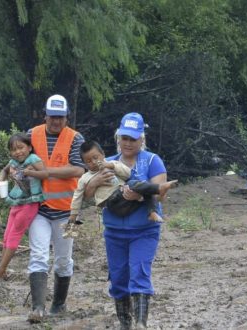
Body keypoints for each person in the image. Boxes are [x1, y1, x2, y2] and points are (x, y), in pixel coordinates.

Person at [83, 113, 168, 329]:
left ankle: (141, 323)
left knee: (139, 272)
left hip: (144, 230)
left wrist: (139, 195)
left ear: (142, 139)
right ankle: (125, 323)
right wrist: (95, 182)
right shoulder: (106, 162)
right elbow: (85, 193)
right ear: (118, 138)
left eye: (133, 139)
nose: (128, 143)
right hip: (114, 232)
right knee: (119, 279)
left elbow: (159, 191)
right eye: (124, 138)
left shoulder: (152, 160)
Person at [26, 95, 86, 323]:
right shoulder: (32, 134)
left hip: (69, 212)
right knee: (38, 255)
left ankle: (59, 304)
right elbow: (21, 158)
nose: (56, 121)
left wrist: (45, 172)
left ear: (66, 117)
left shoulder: (76, 138)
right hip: (38, 209)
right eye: (52, 116)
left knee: (63, 260)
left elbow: (77, 170)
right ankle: (38, 308)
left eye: (60, 117)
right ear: (45, 115)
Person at [67, 140, 177, 227]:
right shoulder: (85, 178)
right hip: (111, 203)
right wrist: (73, 215)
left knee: (142, 188)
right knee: (134, 184)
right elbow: (78, 196)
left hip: (126, 200)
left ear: (103, 154)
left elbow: (127, 173)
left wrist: (111, 166)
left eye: (95, 158)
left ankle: (152, 212)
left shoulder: (113, 163)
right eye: (89, 161)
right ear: (85, 164)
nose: (94, 162)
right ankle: (158, 188)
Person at [0, 133, 48, 281]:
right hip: (16, 201)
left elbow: (45, 174)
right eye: (13, 149)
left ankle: (1, 268)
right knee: (7, 235)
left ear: (29, 147)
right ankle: (3, 269)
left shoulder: (33, 159)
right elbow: (5, 170)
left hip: (29, 203)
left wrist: (30, 172)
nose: (18, 152)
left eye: (21, 147)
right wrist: (0, 180)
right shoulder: (13, 162)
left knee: (15, 234)